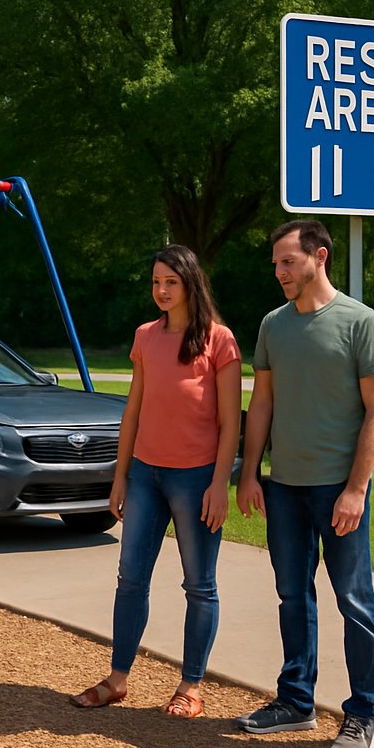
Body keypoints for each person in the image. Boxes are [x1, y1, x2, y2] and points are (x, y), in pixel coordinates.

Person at [234, 219, 374, 748]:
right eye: (276, 264)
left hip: (338, 491)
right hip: (285, 490)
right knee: (292, 596)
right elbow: (263, 405)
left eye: (288, 262)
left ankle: (362, 713)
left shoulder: (360, 322)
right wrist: (249, 472)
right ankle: (296, 701)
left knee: (354, 602)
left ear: (320, 257)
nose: (279, 272)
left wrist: (356, 489)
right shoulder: (274, 326)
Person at [71, 244, 241, 719]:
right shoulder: (146, 336)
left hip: (196, 480)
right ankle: (118, 678)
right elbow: (134, 411)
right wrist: (120, 476)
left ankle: (190, 687)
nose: (161, 291)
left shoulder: (219, 340)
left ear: (190, 284)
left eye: (170, 281)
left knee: (199, 585)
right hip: (145, 474)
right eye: (155, 282)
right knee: (130, 580)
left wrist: (219, 484)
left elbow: (231, 422)